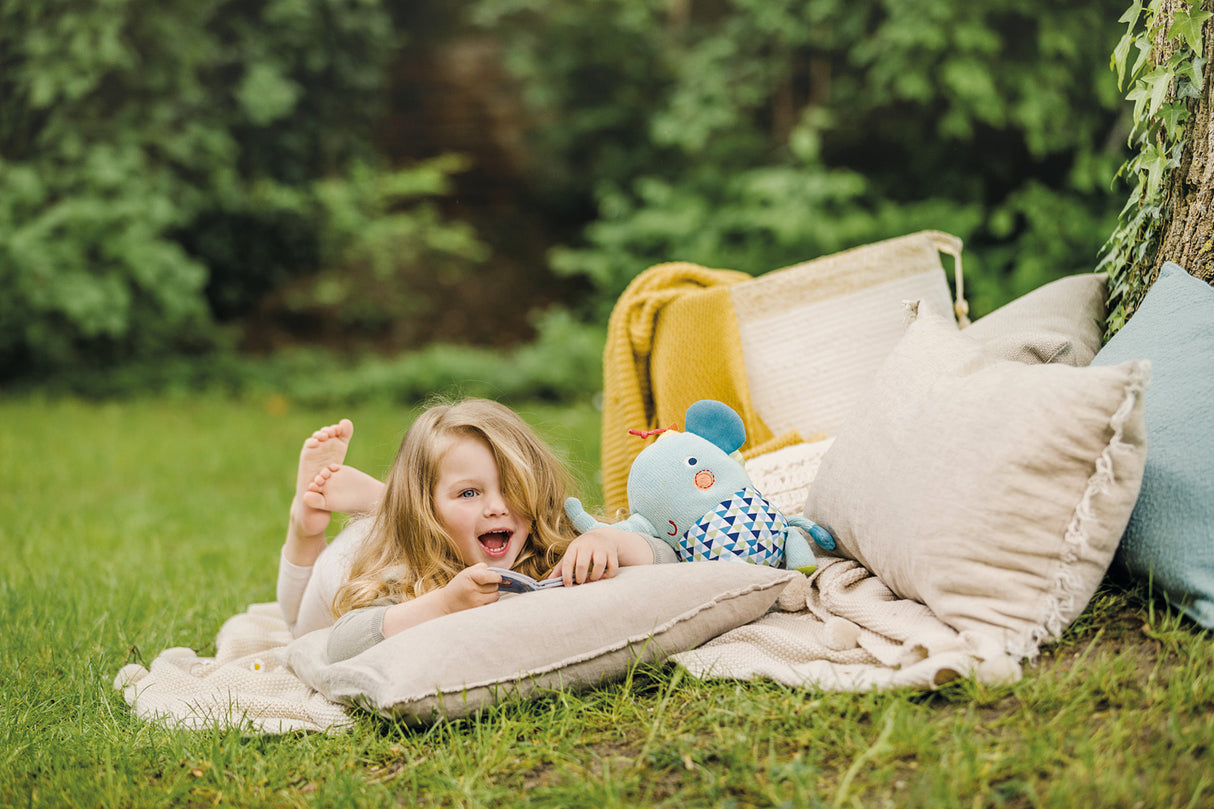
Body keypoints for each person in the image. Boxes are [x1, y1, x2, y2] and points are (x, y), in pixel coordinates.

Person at [276, 398, 676, 662]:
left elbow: (668, 557)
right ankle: (306, 524)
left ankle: (389, 501)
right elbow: (342, 643)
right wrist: (444, 604)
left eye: (512, 487)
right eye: (469, 492)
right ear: (426, 512)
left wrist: (607, 541)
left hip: (419, 513)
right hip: (346, 556)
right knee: (296, 625)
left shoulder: (548, 537)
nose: (498, 507)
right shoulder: (399, 569)